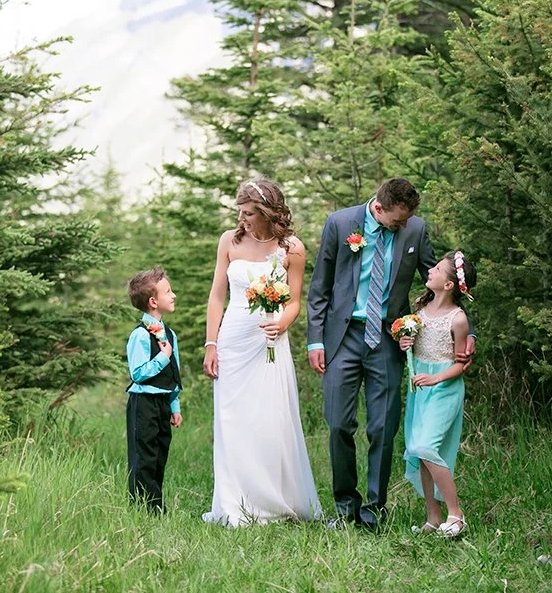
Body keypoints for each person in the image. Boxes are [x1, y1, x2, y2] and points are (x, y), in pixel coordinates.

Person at [306, 177, 475, 531]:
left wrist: (465, 331)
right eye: (398, 220)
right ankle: (344, 507)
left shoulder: (415, 229)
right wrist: (315, 340)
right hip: (342, 338)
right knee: (339, 423)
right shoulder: (339, 223)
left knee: (384, 427)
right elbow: (320, 286)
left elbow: (442, 284)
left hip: (388, 339)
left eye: (408, 219)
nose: (404, 226)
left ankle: (373, 510)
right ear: (379, 208)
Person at [202, 178, 321, 526]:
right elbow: (216, 296)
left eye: (250, 213)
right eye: (240, 212)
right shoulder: (229, 240)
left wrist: (282, 323)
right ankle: (235, 502)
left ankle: (272, 500)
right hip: (233, 340)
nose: (243, 219)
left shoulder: (292, 248)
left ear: (268, 213)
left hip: (270, 341)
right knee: (232, 420)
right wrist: (211, 344)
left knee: (269, 419)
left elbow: (296, 300)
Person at [400, 251, 476, 538]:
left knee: (426, 447)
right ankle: (433, 516)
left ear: (448, 285)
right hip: (420, 388)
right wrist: (405, 344)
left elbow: (460, 364)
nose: (430, 270)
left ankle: (456, 514)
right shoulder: (419, 313)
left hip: (443, 388)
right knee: (418, 450)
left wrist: (436, 378)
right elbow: (415, 348)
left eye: (437, 269)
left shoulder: (457, 319)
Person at [125, 267, 183, 514]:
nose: (173, 295)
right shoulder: (139, 335)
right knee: (144, 456)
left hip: (161, 403)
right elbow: (137, 373)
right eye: (168, 291)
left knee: (159, 454)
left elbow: (174, 374)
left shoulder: (170, 334)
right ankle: (142, 509)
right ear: (153, 302)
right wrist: (162, 356)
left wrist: (174, 405)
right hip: (143, 403)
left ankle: (155, 507)